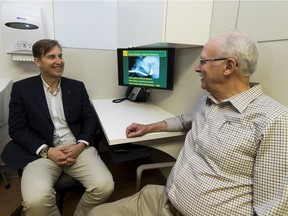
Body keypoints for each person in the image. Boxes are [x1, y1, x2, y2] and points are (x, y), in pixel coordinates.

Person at [87, 30, 288, 216]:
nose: (197, 68)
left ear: (228, 66)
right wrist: (148, 127)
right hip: (165, 200)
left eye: (203, 62)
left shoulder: (273, 120)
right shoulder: (210, 100)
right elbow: (184, 121)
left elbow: (273, 209)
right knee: (94, 214)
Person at [1, 39, 114, 216]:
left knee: (105, 186)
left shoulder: (76, 87)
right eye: (51, 57)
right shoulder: (22, 89)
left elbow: (90, 119)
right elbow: (17, 129)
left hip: (77, 148)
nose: (58, 61)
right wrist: (47, 150)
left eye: (60, 56)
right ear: (38, 61)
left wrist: (81, 145)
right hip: (42, 152)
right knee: (36, 201)